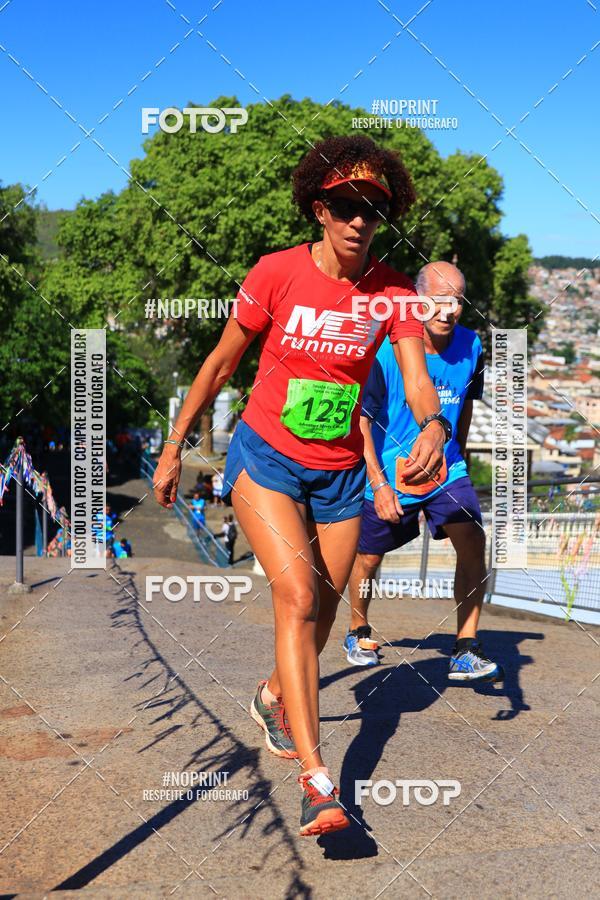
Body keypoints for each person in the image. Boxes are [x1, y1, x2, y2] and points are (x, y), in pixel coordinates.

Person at [153, 135, 447, 836]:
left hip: (340, 472)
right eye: (345, 205)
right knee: (298, 596)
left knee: (320, 617)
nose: (359, 219)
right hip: (267, 459)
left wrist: (433, 427)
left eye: (372, 208)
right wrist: (172, 447)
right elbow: (220, 365)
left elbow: (415, 378)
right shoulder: (276, 273)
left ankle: (271, 695)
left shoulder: (394, 294)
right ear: (320, 208)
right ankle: (319, 782)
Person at [344, 261, 503, 683]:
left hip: (446, 469)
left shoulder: (472, 346)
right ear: (416, 301)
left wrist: (458, 456)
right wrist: (378, 483)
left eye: (457, 301)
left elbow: (465, 405)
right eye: (438, 301)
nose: (448, 311)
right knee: (367, 558)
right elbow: (361, 421)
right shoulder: (385, 349)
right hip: (388, 472)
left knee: (473, 537)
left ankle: (465, 647)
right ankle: (358, 629)